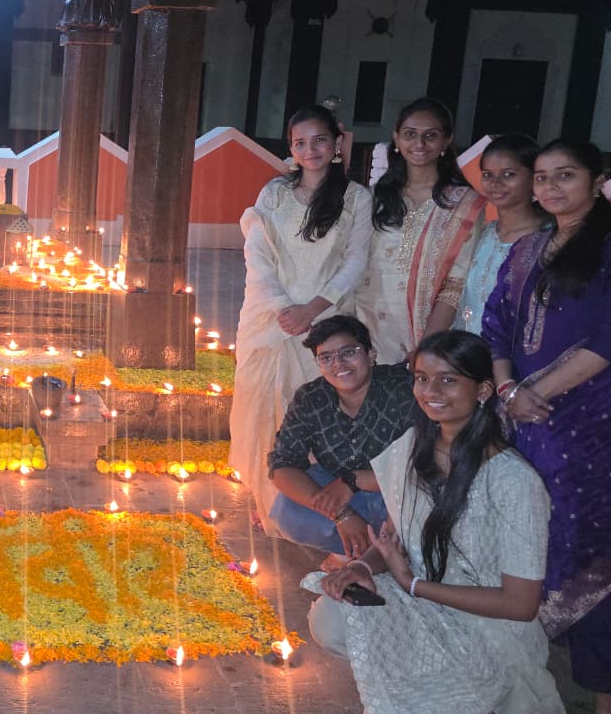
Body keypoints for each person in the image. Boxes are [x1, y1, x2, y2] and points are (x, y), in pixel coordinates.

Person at [306, 330, 564, 714]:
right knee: (330, 617)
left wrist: (413, 584)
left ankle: (453, 696)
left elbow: (520, 605)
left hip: (487, 632)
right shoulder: (414, 446)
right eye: (422, 378)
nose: (430, 392)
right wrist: (362, 566)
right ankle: (410, 679)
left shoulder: (513, 480)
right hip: (421, 598)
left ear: (483, 390)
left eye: (448, 379)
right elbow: (394, 535)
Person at [484, 138, 611, 714]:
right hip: (522, 421)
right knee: (525, 527)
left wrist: (535, 393)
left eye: (566, 175)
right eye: (542, 177)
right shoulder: (528, 247)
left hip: (589, 422)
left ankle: (599, 689)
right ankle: (527, 658)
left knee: (586, 538)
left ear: (597, 180)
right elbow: (496, 324)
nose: (550, 188)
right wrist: (508, 389)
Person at [229, 106, 372, 535]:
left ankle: (309, 513)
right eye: (300, 143)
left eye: (320, 140)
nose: (310, 150)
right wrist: (281, 307)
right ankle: (266, 499)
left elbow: (355, 262)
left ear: (336, 144)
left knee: (310, 412)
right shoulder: (274, 192)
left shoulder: (356, 198)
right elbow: (257, 252)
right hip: (269, 318)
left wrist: (310, 311)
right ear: (291, 148)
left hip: (325, 320)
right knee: (262, 410)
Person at [267, 316, 414, 561]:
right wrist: (341, 515)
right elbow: (282, 464)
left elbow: (425, 466)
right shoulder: (311, 397)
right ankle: (356, 549)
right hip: (346, 498)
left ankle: (382, 555)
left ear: (370, 354)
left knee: (414, 509)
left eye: (349, 352)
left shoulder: (402, 389)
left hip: (398, 493)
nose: (338, 364)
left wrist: (352, 481)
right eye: (326, 358)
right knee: (288, 509)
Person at [356, 97, 486, 364]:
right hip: (365, 324)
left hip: (427, 331)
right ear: (396, 138)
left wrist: (427, 346)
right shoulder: (373, 197)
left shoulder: (464, 203)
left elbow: (455, 284)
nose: (419, 144)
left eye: (431, 136)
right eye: (410, 134)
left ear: (447, 140)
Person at [454, 133, 546, 334]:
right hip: (463, 346)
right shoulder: (481, 234)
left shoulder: (549, 240)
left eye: (508, 174)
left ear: (535, 177)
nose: (495, 183)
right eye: (488, 175)